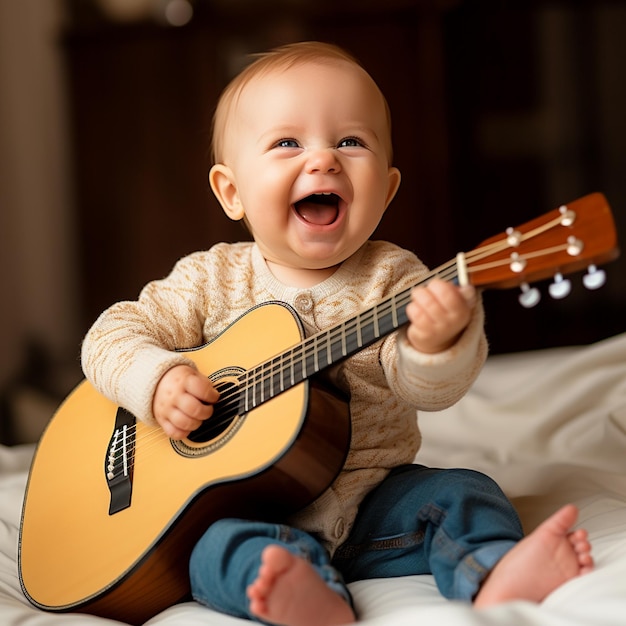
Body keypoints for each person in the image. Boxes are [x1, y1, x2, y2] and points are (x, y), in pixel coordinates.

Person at [81, 41, 593, 626]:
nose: (323, 160)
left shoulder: (396, 280)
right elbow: (111, 334)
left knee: (467, 493)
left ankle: (494, 573)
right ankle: (302, 594)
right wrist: (158, 379)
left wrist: (436, 343)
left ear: (388, 188)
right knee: (211, 550)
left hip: (374, 503)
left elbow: (432, 391)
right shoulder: (210, 278)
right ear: (231, 191)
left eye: (351, 141)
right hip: (245, 509)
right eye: (287, 143)